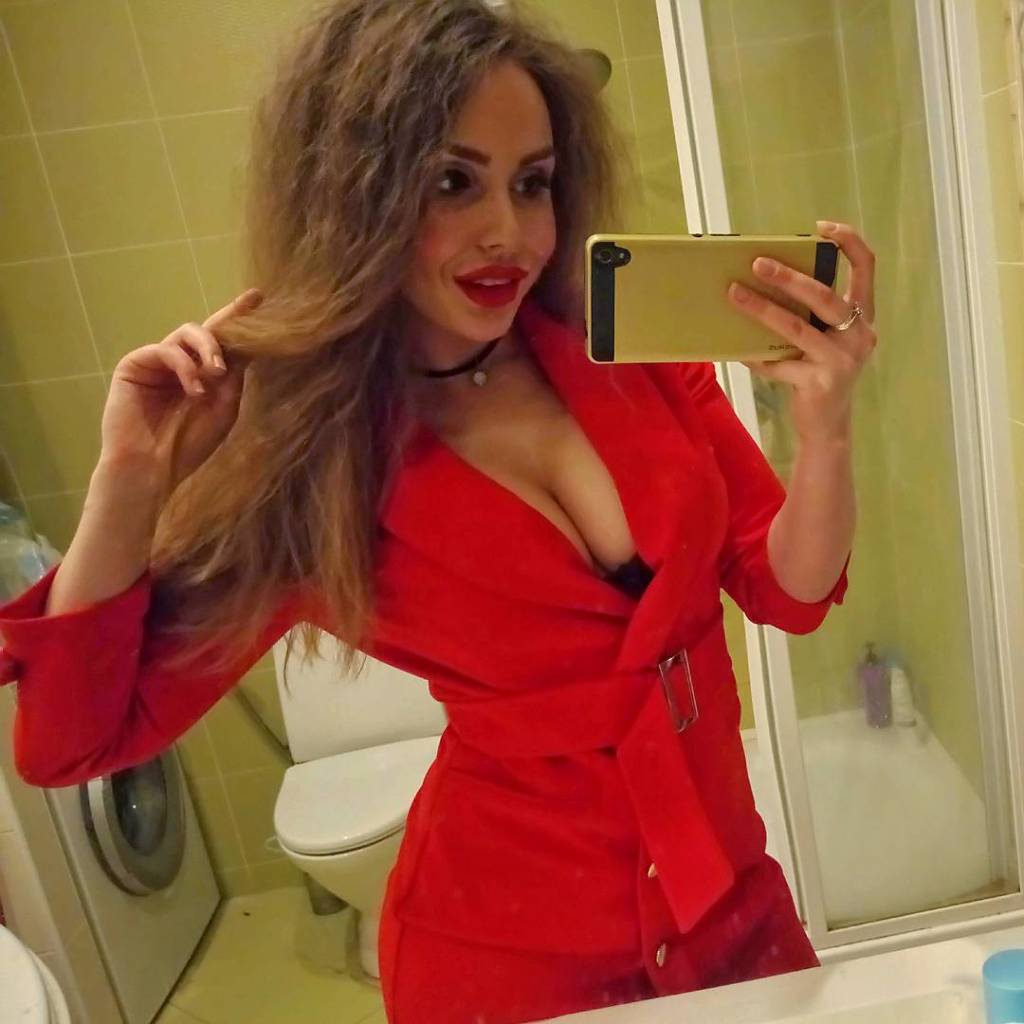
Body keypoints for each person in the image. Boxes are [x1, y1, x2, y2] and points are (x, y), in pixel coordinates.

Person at [0, 1, 876, 1021]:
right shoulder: (320, 463)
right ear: (358, 195)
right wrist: (130, 479)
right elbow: (71, 744)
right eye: (452, 182)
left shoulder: (630, 358)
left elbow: (787, 592)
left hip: (729, 907)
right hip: (508, 956)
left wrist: (826, 432)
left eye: (531, 183)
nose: (507, 231)